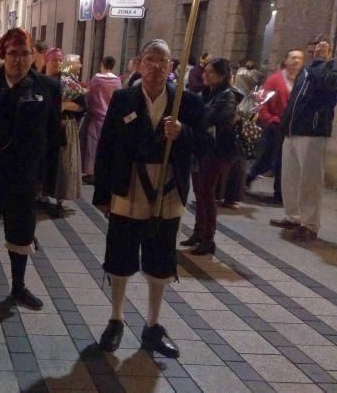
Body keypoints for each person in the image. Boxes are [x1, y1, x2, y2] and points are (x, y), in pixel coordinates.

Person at [94, 39, 205, 359]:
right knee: (119, 254)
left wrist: (182, 133)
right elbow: (107, 147)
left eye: (163, 61)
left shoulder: (188, 102)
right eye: (150, 59)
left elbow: (204, 148)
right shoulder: (123, 98)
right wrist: (103, 193)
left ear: (171, 67)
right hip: (128, 187)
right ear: (139, 64)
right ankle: (115, 319)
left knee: (160, 258)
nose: (156, 66)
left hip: (168, 189)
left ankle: (154, 325)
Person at [0, 28, 61, 311]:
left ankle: (19, 287)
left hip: (24, 178)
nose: (19, 60)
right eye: (13, 53)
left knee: (21, 233)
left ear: (34, 56)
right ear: (3, 55)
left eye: (25, 53)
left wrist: (48, 180)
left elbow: (54, 136)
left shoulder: (48, 88)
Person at [270, 40, 337, 241]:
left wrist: (321, 61)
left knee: (309, 180)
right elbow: (295, 99)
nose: (314, 50)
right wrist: (285, 123)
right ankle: (293, 216)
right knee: (290, 177)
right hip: (293, 129)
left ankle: (310, 224)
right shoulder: (308, 69)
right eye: (313, 47)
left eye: (319, 47)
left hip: (313, 131)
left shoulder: (329, 69)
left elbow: (328, 85)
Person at [180, 58, 243, 254]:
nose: (205, 75)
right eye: (205, 71)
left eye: (211, 72)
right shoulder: (207, 92)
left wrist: (196, 116)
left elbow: (210, 118)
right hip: (202, 148)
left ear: (222, 76)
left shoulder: (227, 96)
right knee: (199, 192)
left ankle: (208, 238)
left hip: (216, 151)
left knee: (207, 193)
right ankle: (199, 232)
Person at [247, 49, 305, 200]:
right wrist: (269, 118)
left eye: (299, 58)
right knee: (267, 157)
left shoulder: (302, 80)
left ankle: (279, 193)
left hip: (291, 127)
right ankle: (248, 178)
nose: (296, 61)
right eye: (293, 58)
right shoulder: (275, 79)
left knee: (284, 160)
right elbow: (264, 102)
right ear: (286, 61)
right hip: (274, 125)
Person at [44, 48, 85, 215]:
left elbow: (82, 105)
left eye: (60, 61)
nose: (58, 63)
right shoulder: (41, 79)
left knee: (63, 163)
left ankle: (60, 199)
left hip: (64, 127)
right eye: (54, 60)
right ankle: (42, 195)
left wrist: (64, 105)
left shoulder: (68, 81)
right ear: (47, 61)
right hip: (45, 128)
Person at [82, 56, 121, 183]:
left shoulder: (96, 79)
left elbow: (91, 97)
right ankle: (102, 170)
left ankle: (90, 172)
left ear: (102, 64)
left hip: (95, 116)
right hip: (109, 117)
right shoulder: (117, 81)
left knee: (92, 145)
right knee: (105, 145)